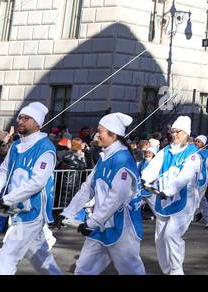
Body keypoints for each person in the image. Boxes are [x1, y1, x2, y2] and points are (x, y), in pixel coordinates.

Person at [60, 112, 145, 275]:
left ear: (113, 135)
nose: (96, 134)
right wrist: (67, 213)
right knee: (83, 269)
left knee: (131, 271)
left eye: (100, 131)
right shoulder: (105, 156)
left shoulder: (122, 159)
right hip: (100, 225)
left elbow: (116, 197)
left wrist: (92, 222)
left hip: (122, 227)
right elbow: (88, 188)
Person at [0, 103, 61, 275]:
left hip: (33, 210)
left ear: (38, 124)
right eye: (20, 118)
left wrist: (7, 199)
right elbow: (4, 170)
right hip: (17, 209)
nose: (21, 121)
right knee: (42, 259)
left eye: (26, 118)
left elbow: (37, 182)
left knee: (8, 255)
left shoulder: (46, 147)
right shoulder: (16, 145)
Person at [141, 115, 203, 274]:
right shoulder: (165, 151)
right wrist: (145, 180)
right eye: (173, 132)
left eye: (178, 132)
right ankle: (166, 269)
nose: (174, 135)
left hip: (184, 201)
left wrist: (170, 190)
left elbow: (186, 175)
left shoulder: (193, 153)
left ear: (186, 133)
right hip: (163, 201)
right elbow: (153, 168)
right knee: (160, 238)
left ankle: (176, 270)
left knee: (171, 235)